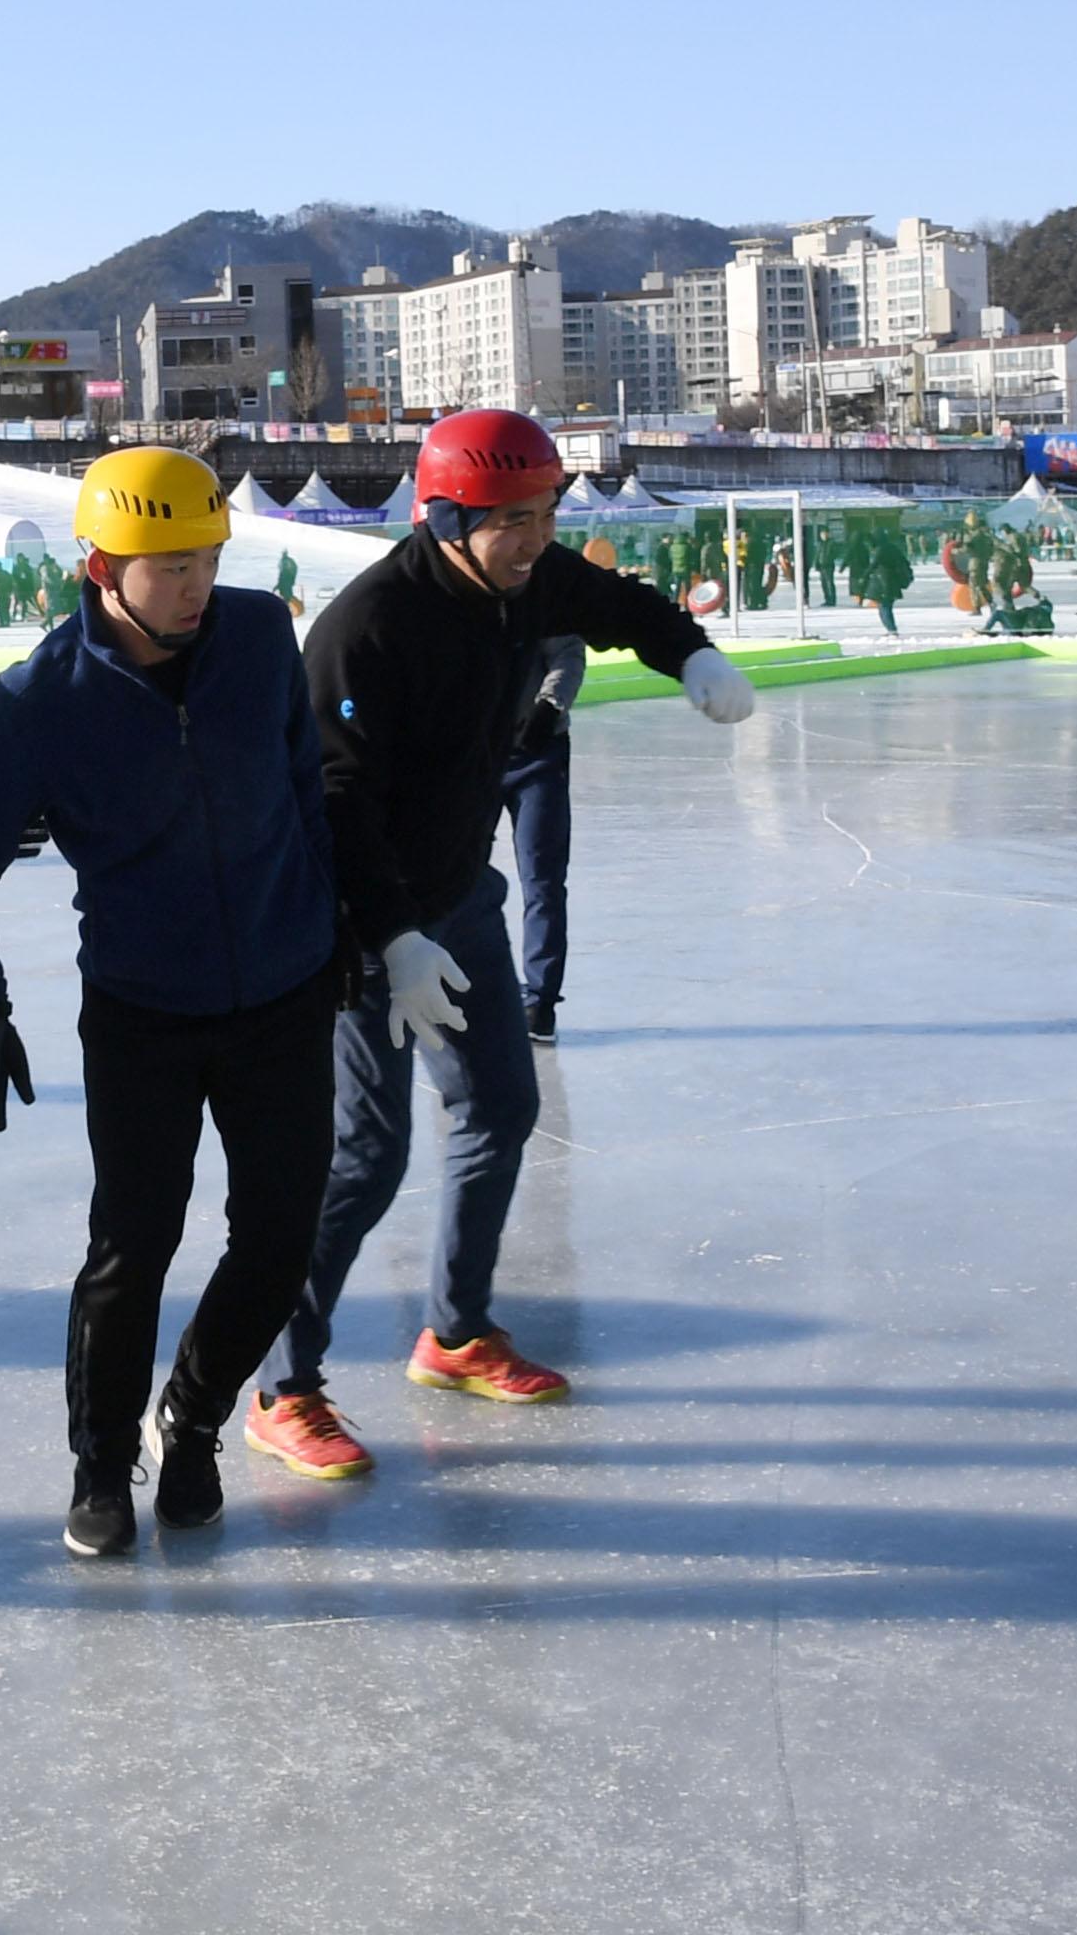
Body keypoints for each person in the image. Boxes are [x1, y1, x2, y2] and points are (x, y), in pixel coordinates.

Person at [250, 410, 758, 1482]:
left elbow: (618, 603)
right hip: (354, 920)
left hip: (458, 899)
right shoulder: (365, 627)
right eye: (511, 522)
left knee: (500, 1108)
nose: (535, 539)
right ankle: (280, 1384)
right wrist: (390, 940)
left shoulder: (524, 579)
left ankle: (456, 1329)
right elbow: (333, 803)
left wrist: (691, 654)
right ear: (444, 518)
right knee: (366, 1153)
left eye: (545, 514)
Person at [0, 447, 335, 1558]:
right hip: (144, 1005)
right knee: (133, 1241)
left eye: (205, 558)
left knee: (282, 1235)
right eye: (168, 566)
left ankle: (190, 1420)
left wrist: (337, 928)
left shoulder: (256, 636)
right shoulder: (40, 700)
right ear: (103, 565)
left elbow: (303, 786)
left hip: (286, 989)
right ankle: (102, 1462)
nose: (196, 584)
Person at [503, 636, 583, 1042]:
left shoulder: (541, 582)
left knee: (542, 877)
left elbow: (568, 654)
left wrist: (548, 705)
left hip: (539, 751)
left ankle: (540, 1000)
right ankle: (458, 990)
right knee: (454, 875)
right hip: (469, 752)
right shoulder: (451, 587)